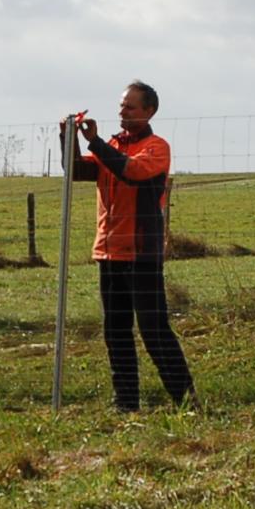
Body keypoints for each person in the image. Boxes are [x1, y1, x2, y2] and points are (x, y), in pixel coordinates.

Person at [63, 81, 197, 412]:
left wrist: (94, 142)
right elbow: (80, 171)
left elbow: (132, 172)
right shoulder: (111, 145)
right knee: (116, 330)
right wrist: (68, 140)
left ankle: (185, 400)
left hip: (141, 253)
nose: (123, 112)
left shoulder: (156, 148)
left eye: (130, 107)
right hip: (108, 251)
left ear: (149, 111)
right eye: (122, 106)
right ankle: (126, 402)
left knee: (154, 330)